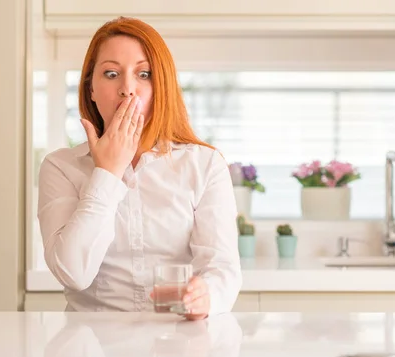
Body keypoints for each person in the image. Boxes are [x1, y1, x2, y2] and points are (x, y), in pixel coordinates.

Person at [37, 16, 242, 321]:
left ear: (162, 88)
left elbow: (222, 268)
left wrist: (206, 295)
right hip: (90, 346)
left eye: (143, 74)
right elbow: (73, 274)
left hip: (175, 343)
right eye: (111, 73)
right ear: (90, 89)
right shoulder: (61, 166)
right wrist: (107, 173)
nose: (127, 89)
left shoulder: (204, 164)